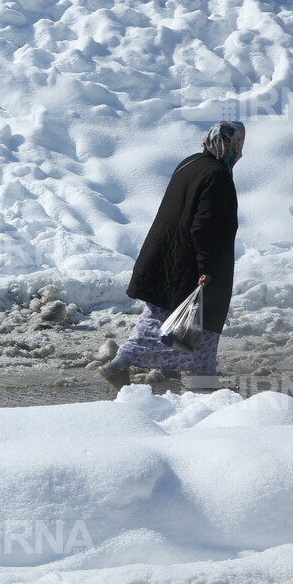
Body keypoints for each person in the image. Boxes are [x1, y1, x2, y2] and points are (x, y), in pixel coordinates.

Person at [100, 121, 243, 389]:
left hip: (168, 256)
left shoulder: (191, 163)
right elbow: (205, 226)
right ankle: (120, 364)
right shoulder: (217, 175)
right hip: (189, 263)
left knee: (177, 319)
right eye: (237, 143)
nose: (239, 149)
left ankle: (203, 381)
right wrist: (206, 268)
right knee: (180, 322)